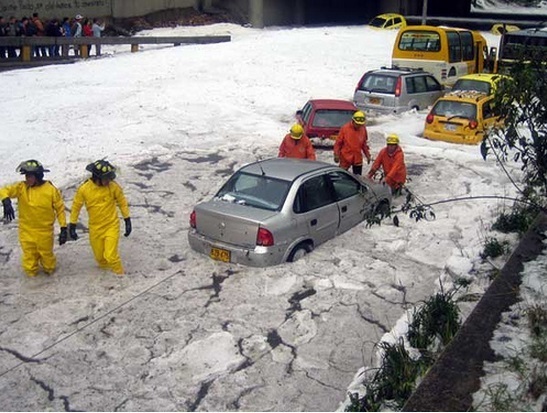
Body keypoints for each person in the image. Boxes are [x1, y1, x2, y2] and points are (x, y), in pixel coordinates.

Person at [0, 160, 67, 277]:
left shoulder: (50, 190)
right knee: (29, 258)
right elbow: (4, 190)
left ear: (38, 176)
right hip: (26, 231)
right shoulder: (21, 188)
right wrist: (5, 199)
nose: (27, 179)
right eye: (26, 176)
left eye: (30, 176)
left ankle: (50, 277)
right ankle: (31, 279)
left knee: (47, 259)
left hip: (44, 232)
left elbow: (60, 209)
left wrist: (63, 227)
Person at [68, 160, 131, 275]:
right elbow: (76, 206)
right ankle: (106, 275)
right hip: (95, 228)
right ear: (97, 177)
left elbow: (122, 202)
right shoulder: (84, 189)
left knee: (111, 255)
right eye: (106, 179)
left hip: (111, 226)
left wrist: (127, 219)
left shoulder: (113, 187)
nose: (108, 181)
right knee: (100, 258)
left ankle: (119, 274)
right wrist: (72, 224)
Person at [333, 110, 371, 175]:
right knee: (341, 175)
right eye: (357, 124)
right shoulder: (345, 128)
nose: (359, 126)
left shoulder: (363, 129)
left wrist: (367, 155)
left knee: (358, 177)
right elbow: (338, 143)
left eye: (360, 124)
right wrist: (336, 154)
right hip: (345, 156)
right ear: (353, 121)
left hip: (357, 157)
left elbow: (364, 144)